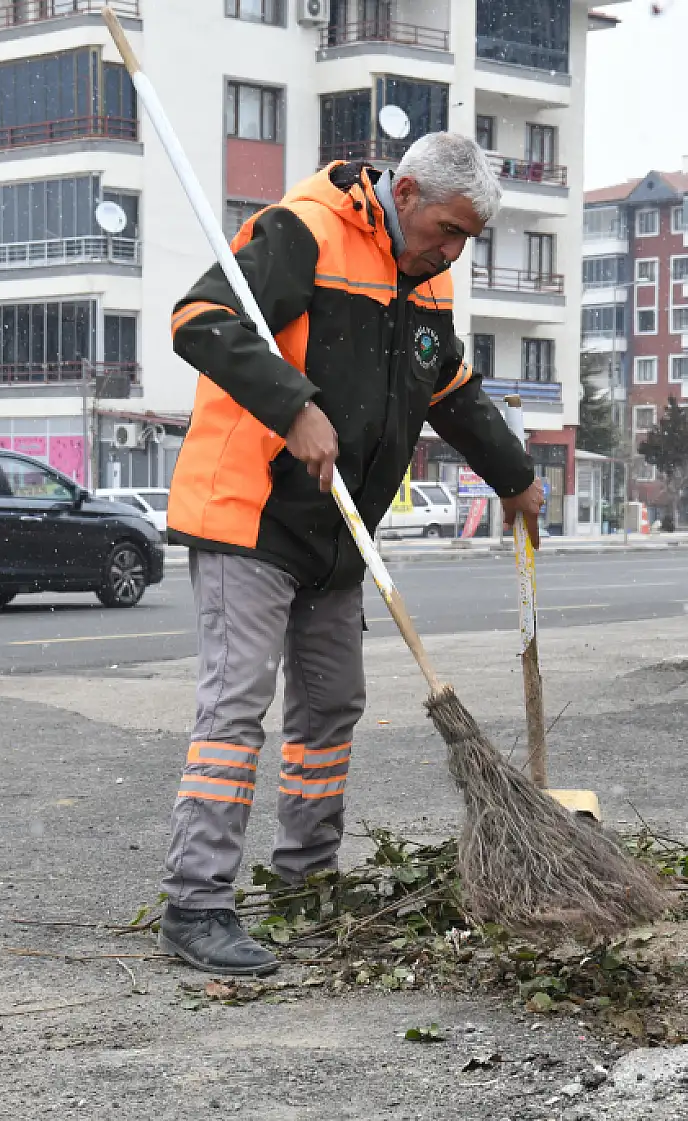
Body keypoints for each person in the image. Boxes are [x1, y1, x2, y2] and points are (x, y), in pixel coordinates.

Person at [159, 132, 545, 975]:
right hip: (250, 511)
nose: (453, 250)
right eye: (448, 229)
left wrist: (514, 478)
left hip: (338, 531)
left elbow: (448, 387)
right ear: (403, 195)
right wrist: (292, 405)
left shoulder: (428, 280)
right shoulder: (304, 231)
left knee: (332, 705)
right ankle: (195, 904)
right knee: (236, 710)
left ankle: (304, 880)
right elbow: (199, 319)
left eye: (467, 239)